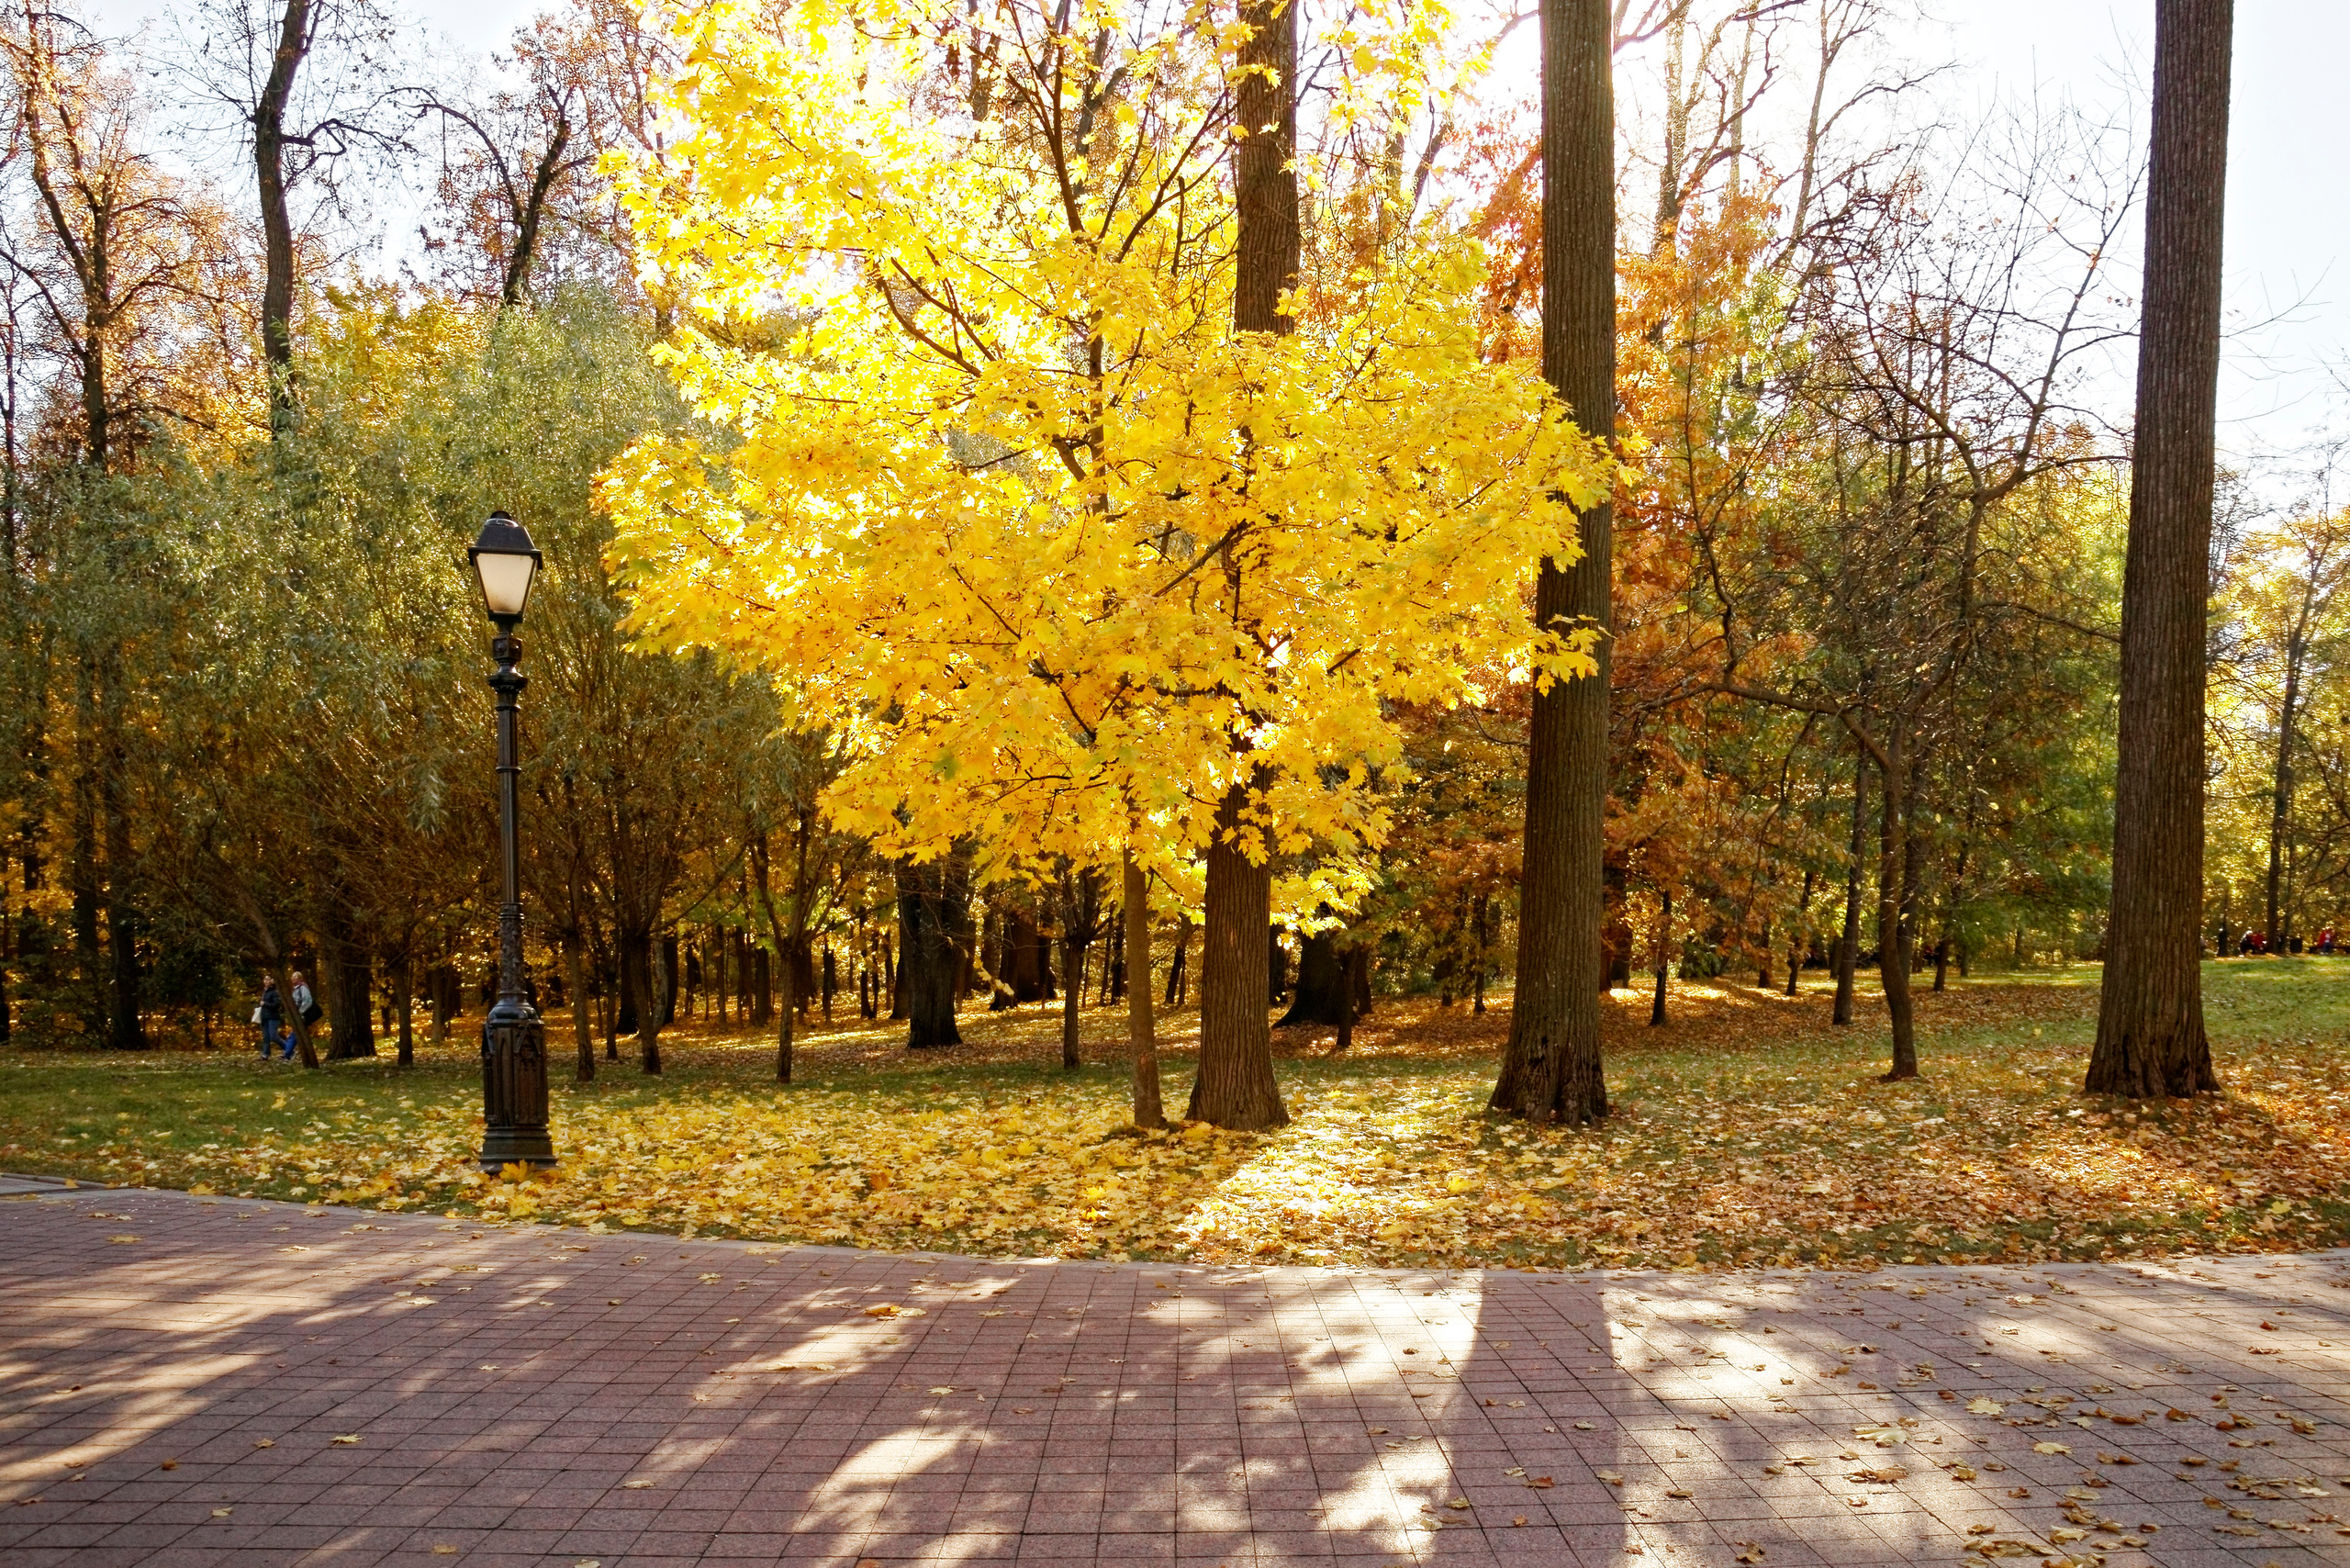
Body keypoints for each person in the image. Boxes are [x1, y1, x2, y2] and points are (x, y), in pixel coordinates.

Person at [257, 981, 285, 1059]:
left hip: (273, 1017)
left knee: (273, 1036)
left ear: (271, 982)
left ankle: (288, 1049)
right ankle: (266, 1054)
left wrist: (265, 1004)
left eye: (268, 979)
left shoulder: (274, 992)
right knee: (266, 1037)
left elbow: (277, 1005)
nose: (266, 981)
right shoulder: (264, 992)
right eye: (265, 979)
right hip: (264, 1017)